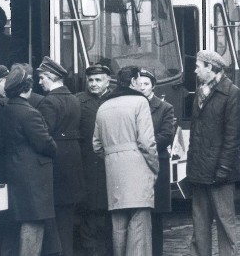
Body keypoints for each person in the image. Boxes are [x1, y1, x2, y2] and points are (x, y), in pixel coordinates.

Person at [93, 66, 159, 256]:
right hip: (139, 169)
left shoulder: (103, 105)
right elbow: (147, 142)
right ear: (133, 81)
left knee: (118, 226)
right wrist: (154, 167)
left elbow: (97, 145)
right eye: (139, 80)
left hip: (113, 172)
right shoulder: (140, 102)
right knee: (139, 226)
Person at [187, 50, 240, 256]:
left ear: (210, 68)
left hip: (220, 173)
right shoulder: (201, 92)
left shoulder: (232, 93)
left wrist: (223, 169)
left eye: (198, 66)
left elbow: (232, 137)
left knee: (224, 223)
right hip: (200, 170)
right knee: (199, 224)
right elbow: (195, 134)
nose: (195, 70)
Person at [2, 63, 57, 256]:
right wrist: (54, 146)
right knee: (34, 221)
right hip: (33, 175)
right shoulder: (29, 113)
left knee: (24, 220)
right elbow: (45, 144)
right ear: (28, 87)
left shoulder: (7, 109)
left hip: (17, 169)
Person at [37, 58, 86, 256]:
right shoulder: (74, 99)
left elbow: (44, 135)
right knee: (66, 218)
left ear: (50, 77)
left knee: (54, 218)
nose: (39, 82)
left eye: (41, 78)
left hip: (57, 162)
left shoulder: (49, 102)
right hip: (73, 159)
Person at [75, 64, 114, 256]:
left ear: (108, 80)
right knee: (88, 212)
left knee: (109, 214)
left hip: (111, 165)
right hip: (87, 164)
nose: (93, 84)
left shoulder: (116, 100)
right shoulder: (79, 101)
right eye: (90, 80)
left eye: (98, 80)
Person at [138, 69, 176, 256]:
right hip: (137, 164)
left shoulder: (164, 108)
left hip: (157, 164)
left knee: (156, 215)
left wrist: (144, 147)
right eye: (139, 83)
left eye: (146, 84)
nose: (142, 87)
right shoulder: (133, 105)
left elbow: (166, 135)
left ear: (153, 86)